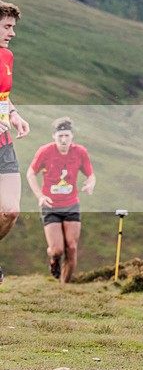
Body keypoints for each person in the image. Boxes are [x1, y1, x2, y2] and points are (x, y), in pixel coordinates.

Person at [26, 117, 95, 284]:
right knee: (57, 249)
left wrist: (90, 184)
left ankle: (65, 286)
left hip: (71, 204)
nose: (63, 140)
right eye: (60, 136)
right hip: (50, 206)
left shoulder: (80, 152)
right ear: (54, 137)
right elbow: (30, 173)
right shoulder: (45, 152)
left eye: (66, 136)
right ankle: (54, 260)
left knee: (71, 247)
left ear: (72, 136)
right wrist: (40, 196)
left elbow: (90, 174)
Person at [0, 0, 31, 284]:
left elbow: (3, 96)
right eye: (7, 27)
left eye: (13, 27)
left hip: (3, 143)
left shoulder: (6, 57)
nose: (12, 33)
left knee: (10, 210)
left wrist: (15, 114)